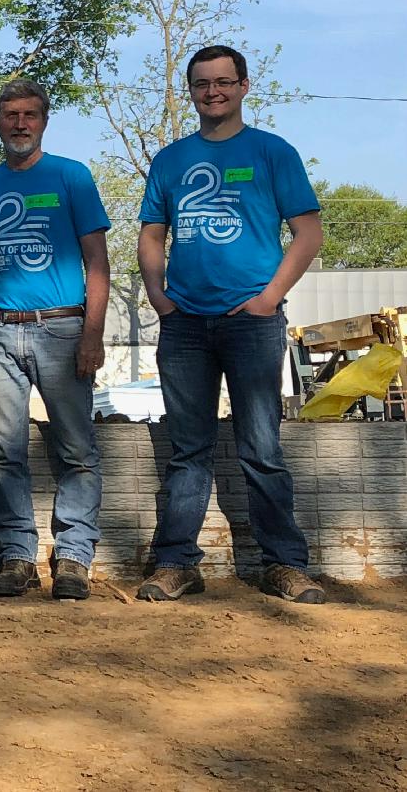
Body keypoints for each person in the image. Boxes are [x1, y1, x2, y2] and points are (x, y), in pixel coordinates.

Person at [135, 45, 326, 605]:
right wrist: (158, 295)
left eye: (223, 82)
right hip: (186, 324)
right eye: (201, 83)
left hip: (252, 322)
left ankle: (284, 564)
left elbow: (308, 233)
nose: (212, 91)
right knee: (187, 449)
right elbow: (151, 233)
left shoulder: (272, 152)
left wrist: (270, 298)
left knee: (262, 448)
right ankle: (177, 564)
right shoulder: (170, 160)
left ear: (244, 86)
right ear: (190, 91)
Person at [0, 79, 110, 601]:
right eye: (10, 115)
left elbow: (97, 260)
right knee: (3, 451)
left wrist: (92, 333)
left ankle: (73, 555)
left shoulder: (72, 176)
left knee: (76, 449)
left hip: (62, 327)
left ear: (44, 120)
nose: (20, 124)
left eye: (29, 114)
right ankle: (16, 554)